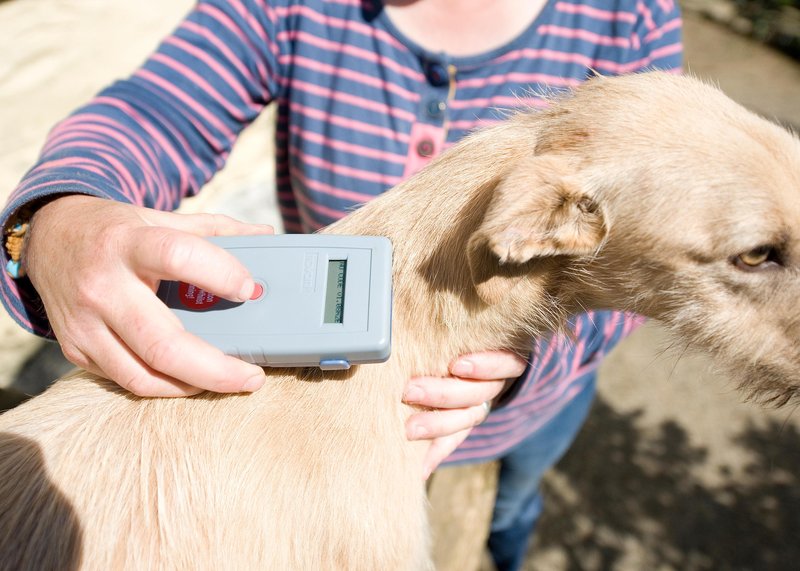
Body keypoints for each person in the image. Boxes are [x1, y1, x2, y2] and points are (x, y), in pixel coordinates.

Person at [0, 1, 682, 569]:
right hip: (333, 426)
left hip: (524, 408)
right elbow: (160, 107)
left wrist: (528, 358)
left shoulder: (627, 17)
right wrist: (61, 216)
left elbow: (651, 258)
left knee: (508, 508)